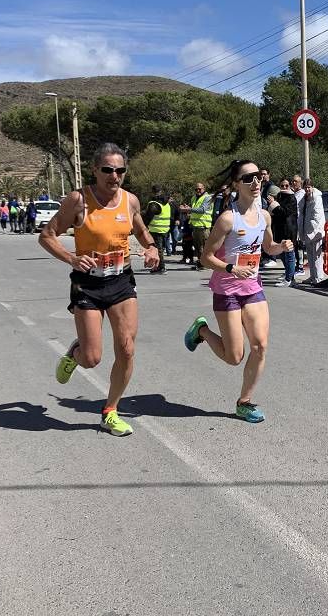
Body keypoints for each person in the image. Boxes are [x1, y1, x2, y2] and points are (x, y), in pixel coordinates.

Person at [40, 143, 160, 437]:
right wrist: (72, 257)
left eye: (120, 170)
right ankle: (75, 352)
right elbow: (47, 236)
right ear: (94, 170)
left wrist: (151, 247)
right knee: (92, 358)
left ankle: (110, 411)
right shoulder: (78, 200)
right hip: (89, 285)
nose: (114, 175)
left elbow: (141, 230)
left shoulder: (130, 201)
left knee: (127, 349)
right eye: (107, 169)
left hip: (121, 281)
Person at [183, 160, 294, 423]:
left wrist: (282, 246)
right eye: (248, 178)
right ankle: (201, 330)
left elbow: (268, 247)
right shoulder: (227, 219)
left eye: (258, 176)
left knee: (260, 346)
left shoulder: (264, 215)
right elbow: (205, 257)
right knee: (234, 357)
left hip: (253, 287)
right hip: (227, 290)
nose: (255, 182)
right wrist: (231, 268)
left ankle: (244, 402)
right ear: (236, 185)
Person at [271, 178, 298, 286]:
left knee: (289, 254)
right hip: (280, 229)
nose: (284, 188)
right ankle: (289, 276)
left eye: (286, 185)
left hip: (289, 230)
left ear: (290, 186)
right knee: (282, 254)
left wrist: (274, 205)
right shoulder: (280, 196)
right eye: (282, 185)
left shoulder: (291, 197)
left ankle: (289, 279)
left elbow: (285, 212)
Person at [298, 177, 325, 284]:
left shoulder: (317, 198)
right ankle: (313, 276)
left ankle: (318, 277)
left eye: (309, 187)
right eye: (306, 187)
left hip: (316, 231)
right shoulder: (305, 198)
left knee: (317, 256)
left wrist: (312, 230)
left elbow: (317, 216)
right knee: (310, 255)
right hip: (307, 230)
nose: (307, 189)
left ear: (312, 187)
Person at [181, 182, 213, 270]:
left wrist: (189, 209)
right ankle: (201, 263)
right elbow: (194, 210)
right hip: (195, 226)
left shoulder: (208, 198)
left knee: (203, 246)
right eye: (196, 189)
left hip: (203, 226)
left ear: (204, 188)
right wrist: (188, 209)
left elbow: (202, 210)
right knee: (198, 246)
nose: (198, 190)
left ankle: (205, 264)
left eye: (200, 189)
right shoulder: (194, 198)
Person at [143, 185, 171, 274]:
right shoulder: (166, 203)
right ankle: (158, 266)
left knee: (157, 249)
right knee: (160, 248)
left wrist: (144, 225)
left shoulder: (154, 203)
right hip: (165, 229)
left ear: (153, 192)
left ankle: (161, 267)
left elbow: (148, 216)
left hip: (156, 229)